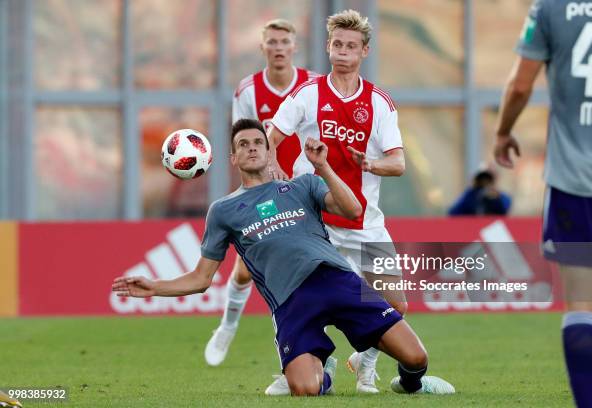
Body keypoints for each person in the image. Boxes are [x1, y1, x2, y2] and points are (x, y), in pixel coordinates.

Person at [112, 119, 454, 397]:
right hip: (292, 302)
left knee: (416, 357)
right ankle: (324, 368)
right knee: (305, 389)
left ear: (268, 149)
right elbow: (201, 279)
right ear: (233, 158)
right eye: (243, 145)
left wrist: (323, 167)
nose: (251, 148)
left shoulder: (303, 185)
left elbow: (353, 210)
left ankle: (411, 385)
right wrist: (153, 287)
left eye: (258, 142)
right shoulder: (224, 210)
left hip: (335, 280)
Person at [267, 9, 406, 393]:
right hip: (315, 222)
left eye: (351, 46)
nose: (343, 51)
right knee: (301, 299)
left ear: (365, 51)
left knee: (396, 305)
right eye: (337, 44)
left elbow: (399, 163)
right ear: (329, 47)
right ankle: (299, 367)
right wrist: (276, 166)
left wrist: (372, 163)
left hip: (364, 221)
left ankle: (365, 361)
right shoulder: (307, 94)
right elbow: (271, 135)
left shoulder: (380, 103)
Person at [493, 1, 592, 407]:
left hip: (575, 180)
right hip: (578, 178)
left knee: (581, 306)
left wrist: (503, 131)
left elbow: (521, 84)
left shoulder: (549, 9)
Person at [204, 19, 317, 369]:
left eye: (285, 41)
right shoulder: (248, 90)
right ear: (263, 48)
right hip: (265, 186)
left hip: (307, 185)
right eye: (272, 42)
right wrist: (268, 171)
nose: (279, 47)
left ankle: (313, 355)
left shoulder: (313, 84)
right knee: (245, 269)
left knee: (315, 267)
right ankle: (227, 325)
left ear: (294, 47)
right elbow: (245, 137)